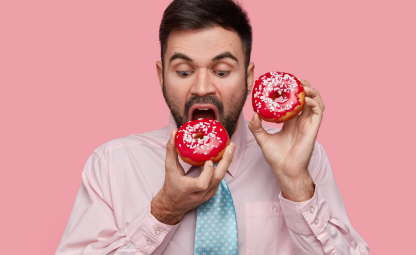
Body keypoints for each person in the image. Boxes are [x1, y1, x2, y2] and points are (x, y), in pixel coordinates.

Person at [56, 0, 369, 254]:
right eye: (183, 71)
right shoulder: (113, 166)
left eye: (221, 71)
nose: (201, 87)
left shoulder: (307, 162)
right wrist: (163, 211)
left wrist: (296, 185)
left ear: (248, 78)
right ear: (161, 76)